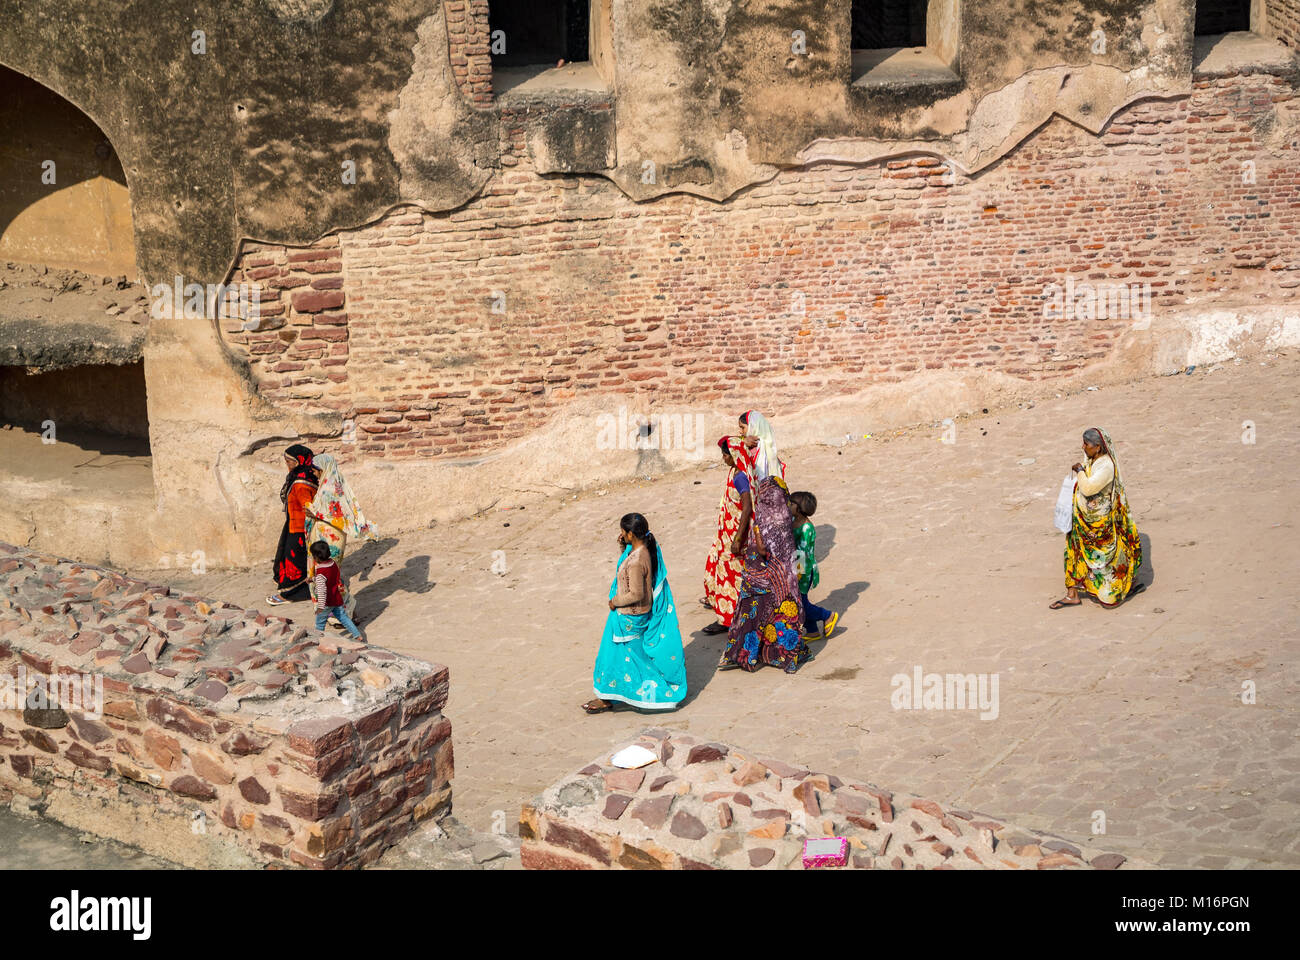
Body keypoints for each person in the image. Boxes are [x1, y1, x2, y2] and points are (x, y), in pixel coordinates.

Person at [719, 412, 811, 673]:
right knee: (758, 594)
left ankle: (784, 652)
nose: (741, 433)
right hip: (770, 536)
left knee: (781, 594)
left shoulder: (765, 461)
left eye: (744, 427)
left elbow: (764, 506)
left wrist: (758, 537)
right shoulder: (756, 457)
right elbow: (728, 443)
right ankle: (748, 651)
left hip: (773, 538)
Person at [583, 513, 687, 713]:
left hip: (629, 617)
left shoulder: (637, 561)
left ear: (631, 534)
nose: (621, 535)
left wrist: (615, 602)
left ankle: (609, 697)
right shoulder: (644, 550)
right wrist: (624, 545)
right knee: (631, 657)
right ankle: (611, 695)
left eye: (623, 532)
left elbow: (637, 593)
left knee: (616, 657)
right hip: (634, 616)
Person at [1051, 427, 1142, 609]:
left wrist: (1080, 471)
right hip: (1082, 521)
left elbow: (1089, 488)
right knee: (1074, 552)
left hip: (1099, 524)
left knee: (1105, 560)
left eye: (1087, 444)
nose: (1083, 447)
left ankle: (1115, 591)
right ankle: (1072, 594)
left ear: (1098, 447)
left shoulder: (1106, 466)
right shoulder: (1092, 460)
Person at [702, 436, 751, 634]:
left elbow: (747, 507)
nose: (723, 458)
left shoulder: (741, 477)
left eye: (725, 455)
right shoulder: (735, 471)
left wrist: (738, 539)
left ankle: (730, 620)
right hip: (725, 535)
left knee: (734, 579)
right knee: (718, 574)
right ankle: (726, 615)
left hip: (735, 538)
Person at [267, 443, 319, 605]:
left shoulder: (302, 482)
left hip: (300, 529)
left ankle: (293, 593)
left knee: (296, 561)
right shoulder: (300, 476)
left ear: (299, 462)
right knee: (288, 555)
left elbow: (309, 507)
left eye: (289, 462)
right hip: (293, 524)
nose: (287, 466)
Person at [789, 490, 839, 640]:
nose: (788, 505)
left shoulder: (806, 529)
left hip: (803, 570)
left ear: (799, 508)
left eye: (791, 504)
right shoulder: (793, 520)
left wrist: (797, 574)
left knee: (801, 604)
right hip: (797, 565)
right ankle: (812, 631)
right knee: (802, 600)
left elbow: (802, 554)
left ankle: (827, 615)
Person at [310, 540, 364, 640]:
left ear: (316, 557)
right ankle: (357, 635)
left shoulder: (320, 572)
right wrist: (313, 579)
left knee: (320, 623)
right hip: (336, 598)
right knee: (344, 618)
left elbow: (322, 591)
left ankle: (318, 640)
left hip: (326, 603)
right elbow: (328, 578)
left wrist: (320, 607)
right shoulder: (333, 563)